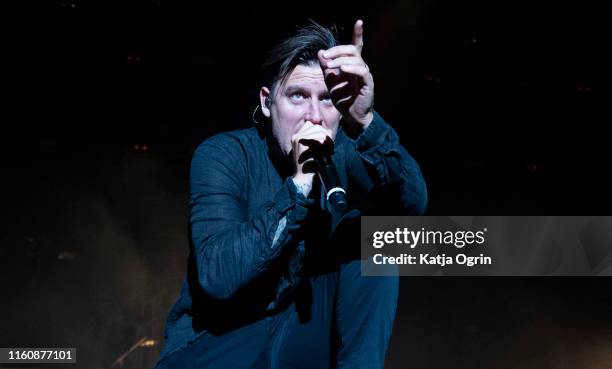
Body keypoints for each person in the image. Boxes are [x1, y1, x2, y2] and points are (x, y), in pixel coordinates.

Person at [154, 19, 427, 369]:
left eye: (328, 99)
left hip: (295, 338)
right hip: (219, 343)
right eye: (298, 96)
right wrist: (298, 186)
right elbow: (218, 278)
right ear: (268, 103)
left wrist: (366, 120)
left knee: (373, 240)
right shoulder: (224, 155)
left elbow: (413, 204)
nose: (313, 116)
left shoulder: (344, 154)